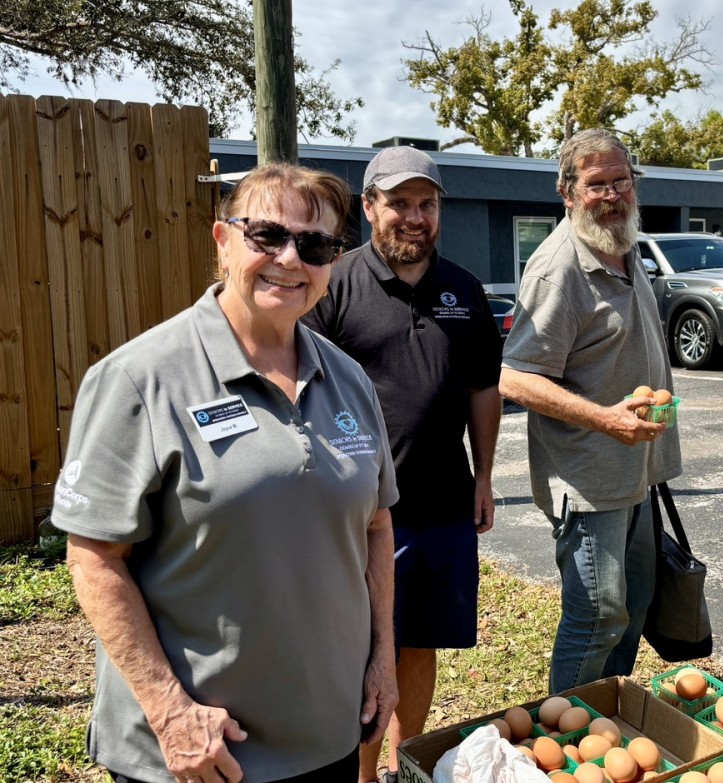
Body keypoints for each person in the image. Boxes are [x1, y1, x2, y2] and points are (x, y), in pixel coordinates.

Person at [53, 163, 399, 783]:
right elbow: (94, 558)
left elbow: (376, 525)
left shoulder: (349, 380)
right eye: (267, 235)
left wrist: (382, 660)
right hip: (199, 754)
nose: (291, 260)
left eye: (316, 245)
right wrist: (169, 711)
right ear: (222, 240)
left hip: (327, 735)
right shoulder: (141, 378)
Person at [303, 146, 502, 783]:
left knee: (420, 641)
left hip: (442, 499)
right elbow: (296, 385)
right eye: (399, 203)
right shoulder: (333, 285)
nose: (414, 217)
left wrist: (485, 476)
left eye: (427, 203)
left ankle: (406, 764)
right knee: (365, 646)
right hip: (358, 509)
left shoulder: (465, 292)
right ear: (369, 208)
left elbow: (482, 388)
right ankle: (361, 773)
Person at [499, 128, 682, 694]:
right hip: (588, 477)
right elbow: (514, 376)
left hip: (635, 471)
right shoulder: (560, 269)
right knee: (598, 615)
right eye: (596, 184)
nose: (611, 194)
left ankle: (608, 716)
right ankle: (566, 737)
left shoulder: (624, 244)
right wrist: (607, 419)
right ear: (568, 194)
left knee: (634, 606)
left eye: (621, 181)